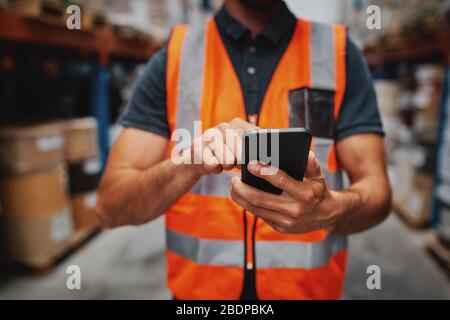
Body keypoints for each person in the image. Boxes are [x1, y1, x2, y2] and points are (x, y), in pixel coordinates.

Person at [96, 0, 392, 300]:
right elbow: (111, 207)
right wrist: (187, 163)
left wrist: (329, 211)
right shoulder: (176, 56)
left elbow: (378, 192)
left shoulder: (338, 53)